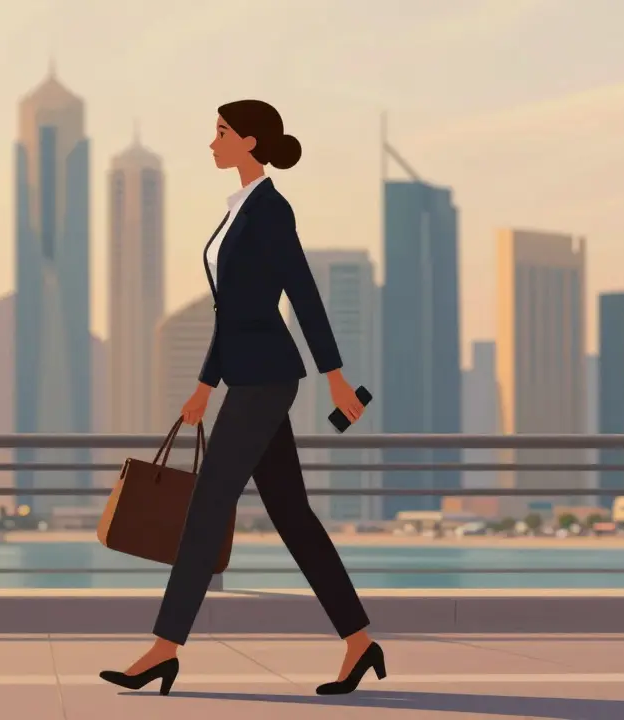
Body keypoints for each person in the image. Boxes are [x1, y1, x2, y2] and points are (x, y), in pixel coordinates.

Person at [99, 99, 387, 697]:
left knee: (207, 505)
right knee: (292, 515)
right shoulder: (237, 212)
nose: (212, 143)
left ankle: (163, 647)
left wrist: (334, 374)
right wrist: (206, 384)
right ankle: (360, 642)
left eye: (222, 133)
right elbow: (228, 313)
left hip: (266, 380)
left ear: (251, 142)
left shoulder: (271, 211)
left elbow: (303, 293)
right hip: (246, 377)